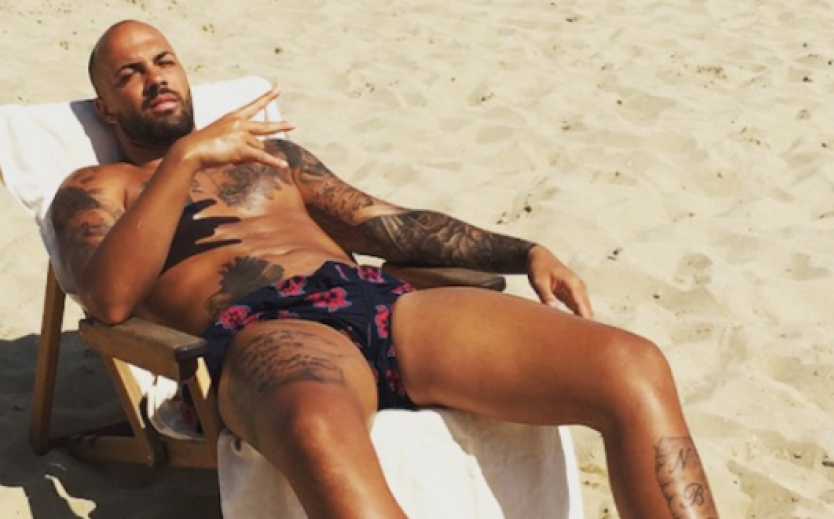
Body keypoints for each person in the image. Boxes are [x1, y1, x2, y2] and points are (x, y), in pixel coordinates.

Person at [50, 19, 720, 519]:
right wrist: (184, 159)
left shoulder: (272, 157)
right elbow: (109, 300)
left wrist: (523, 252)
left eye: (163, 60)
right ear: (105, 108)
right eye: (129, 73)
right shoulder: (94, 188)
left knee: (631, 367)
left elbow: (384, 224)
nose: (155, 77)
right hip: (265, 328)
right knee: (316, 429)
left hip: (375, 299)